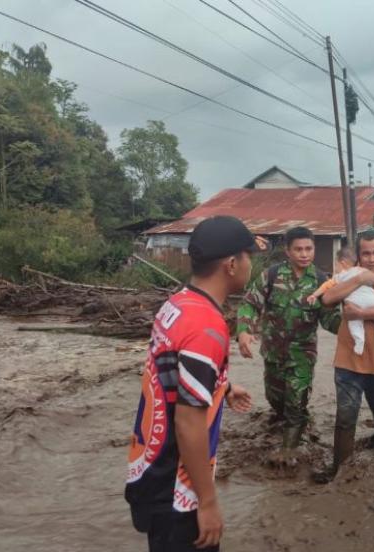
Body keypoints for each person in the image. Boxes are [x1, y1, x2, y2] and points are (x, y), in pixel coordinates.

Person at [125, 216, 255, 552]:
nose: (249, 264)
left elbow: (172, 369)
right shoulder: (208, 328)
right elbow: (188, 422)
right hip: (177, 490)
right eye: (247, 256)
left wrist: (222, 387)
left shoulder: (179, 303)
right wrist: (208, 502)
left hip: (151, 470)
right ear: (231, 264)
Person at [236, 227, 341, 467]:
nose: (304, 254)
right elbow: (250, 304)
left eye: (309, 249)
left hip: (302, 356)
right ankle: (288, 419)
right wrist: (243, 331)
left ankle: (289, 447)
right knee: (275, 399)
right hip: (273, 353)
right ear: (288, 250)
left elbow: (329, 319)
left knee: (296, 402)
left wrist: (350, 323)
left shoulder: (322, 281)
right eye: (299, 249)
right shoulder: (271, 276)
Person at [314, 230, 374, 482]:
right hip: (349, 358)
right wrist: (359, 280)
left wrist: (360, 315)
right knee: (345, 418)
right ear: (358, 255)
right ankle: (339, 471)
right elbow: (327, 298)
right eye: (366, 253)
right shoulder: (349, 276)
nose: (371, 258)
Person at [307, 247, 374, 355]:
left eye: (336, 265)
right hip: (372, 300)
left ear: (342, 263)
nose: (336, 268)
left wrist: (314, 295)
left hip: (355, 304)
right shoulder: (362, 270)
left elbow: (325, 287)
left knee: (354, 321)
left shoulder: (339, 276)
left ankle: (359, 340)